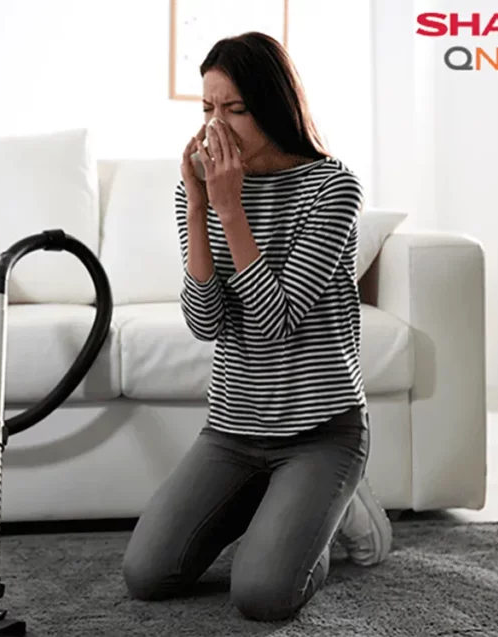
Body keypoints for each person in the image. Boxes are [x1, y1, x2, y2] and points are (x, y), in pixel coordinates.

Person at [121, 31, 392, 622]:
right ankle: (290, 516)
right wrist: (197, 205)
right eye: (207, 109)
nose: (216, 125)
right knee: (147, 575)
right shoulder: (200, 191)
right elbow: (205, 322)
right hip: (234, 429)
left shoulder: (333, 187)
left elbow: (276, 321)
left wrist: (230, 208)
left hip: (321, 429)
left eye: (235, 109)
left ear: (274, 106)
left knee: (263, 595)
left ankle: (330, 515)